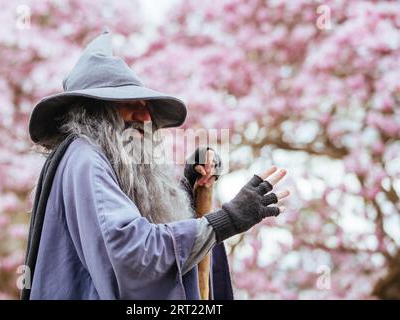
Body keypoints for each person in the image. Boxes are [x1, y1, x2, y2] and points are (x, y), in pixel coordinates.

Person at [22, 29, 290, 300]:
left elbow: (133, 227)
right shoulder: (86, 159)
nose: (145, 115)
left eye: (145, 105)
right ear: (94, 111)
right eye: (128, 104)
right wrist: (228, 220)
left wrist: (189, 188)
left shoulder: (94, 158)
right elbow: (132, 256)